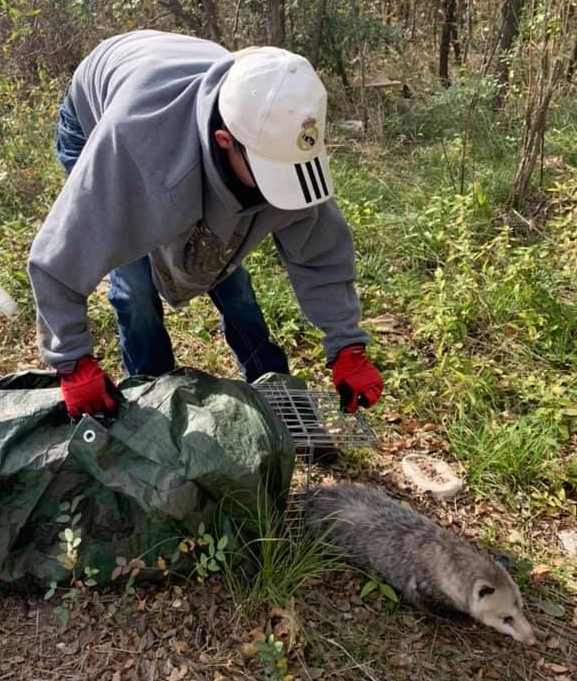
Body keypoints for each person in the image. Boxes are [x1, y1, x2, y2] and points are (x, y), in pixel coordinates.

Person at [27, 30, 384, 419]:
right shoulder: (135, 148)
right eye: (270, 173)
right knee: (136, 290)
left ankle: (277, 400)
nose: (278, 186)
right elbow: (59, 258)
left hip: (178, 95)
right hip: (96, 112)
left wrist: (346, 343)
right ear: (225, 140)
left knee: (228, 279)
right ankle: (154, 404)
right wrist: (73, 362)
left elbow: (319, 251)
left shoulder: (283, 131)